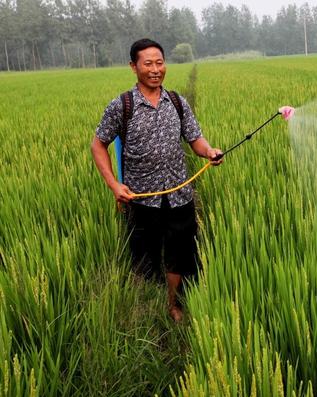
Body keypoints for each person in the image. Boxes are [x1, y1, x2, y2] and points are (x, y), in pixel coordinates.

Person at [90, 38, 223, 322]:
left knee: (180, 252)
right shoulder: (122, 106)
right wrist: (115, 185)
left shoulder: (176, 101)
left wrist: (209, 152)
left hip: (179, 196)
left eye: (159, 63)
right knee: (145, 257)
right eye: (147, 63)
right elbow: (98, 144)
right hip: (142, 200)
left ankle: (173, 305)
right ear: (133, 66)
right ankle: (146, 306)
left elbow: (195, 139)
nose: (155, 69)